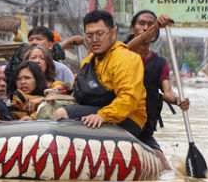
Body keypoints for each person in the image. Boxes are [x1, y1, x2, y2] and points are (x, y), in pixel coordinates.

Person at [53, 10, 147, 138]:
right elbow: (80, 83)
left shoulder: (126, 58)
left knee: (61, 113)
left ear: (112, 34)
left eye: (100, 34)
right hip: (99, 109)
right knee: (49, 107)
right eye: (89, 36)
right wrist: (62, 87)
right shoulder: (89, 60)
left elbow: (129, 98)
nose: (94, 40)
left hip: (128, 118)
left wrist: (103, 116)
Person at [126, 10, 190, 169]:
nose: (145, 28)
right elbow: (127, 50)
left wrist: (178, 100)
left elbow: (167, 92)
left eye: (150, 24)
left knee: (165, 169)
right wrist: (155, 26)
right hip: (118, 124)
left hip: (144, 130)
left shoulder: (160, 62)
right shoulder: (121, 52)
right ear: (132, 28)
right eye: (141, 23)